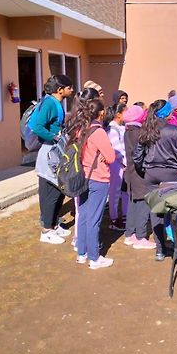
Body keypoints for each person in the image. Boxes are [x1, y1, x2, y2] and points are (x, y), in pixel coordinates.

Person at [133, 99, 177, 261]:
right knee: (173, 210)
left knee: (156, 211)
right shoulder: (174, 130)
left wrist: (143, 169)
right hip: (170, 173)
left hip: (151, 173)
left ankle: (160, 250)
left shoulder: (146, 130)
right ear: (167, 113)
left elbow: (137, 155)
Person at [68, 98, 116, 269]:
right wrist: (105, 154)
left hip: (83, 177)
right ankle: (94, 258)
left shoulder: (80, 129)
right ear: (101, 113)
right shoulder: (99, 132)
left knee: (84, 216)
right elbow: (111, 157)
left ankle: (82, 253)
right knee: (94, 219)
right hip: (98, 178)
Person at [32, 75, 73, 244]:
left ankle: (54, 225)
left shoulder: (56, 103)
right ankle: (46, 230)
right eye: (69, 87)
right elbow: (38, 127)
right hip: (50, 152)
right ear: (59, 89)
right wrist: (55, 138)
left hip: (56, 151)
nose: (71, 90)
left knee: (58, 191)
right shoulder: (49, 102)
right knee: (50, 192)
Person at [69, 87, 100, 250]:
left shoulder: (77, 119)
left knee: (81, 206)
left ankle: (80, 239)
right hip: (84, 170)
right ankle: (80, 240)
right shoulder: (84, 122)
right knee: (83, 208)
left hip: (81, 168)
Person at [123, 105, 156, 249]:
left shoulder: (127, 131)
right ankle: (140, 236)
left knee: (133, 203)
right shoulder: (139, 133)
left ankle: (130, 233)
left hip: (130, 172)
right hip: (139, 172)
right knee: (143, 203)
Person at [106, 103, 129, 231]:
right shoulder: (112, 129)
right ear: (118, 114)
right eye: (126, 111)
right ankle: (114, 219)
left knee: (125, 191)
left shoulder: (122, 127)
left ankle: (125, 215)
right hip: (116, 165)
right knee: (115, 193)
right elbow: (117, 150)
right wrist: (126, 163)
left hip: (123, 165)